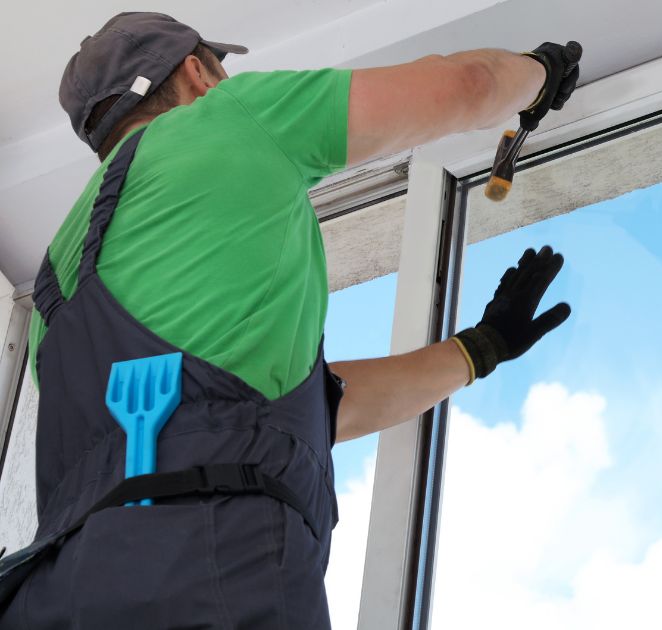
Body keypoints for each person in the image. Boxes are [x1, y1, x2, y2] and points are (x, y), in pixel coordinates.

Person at [0, 11, 578, 628]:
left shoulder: (51, 303)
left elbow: (286, 416)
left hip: (49, 596)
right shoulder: (227, 118)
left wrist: (475, 350)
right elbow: (467, 86)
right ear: (198, 74)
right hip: (207, 569)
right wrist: (540, 77)